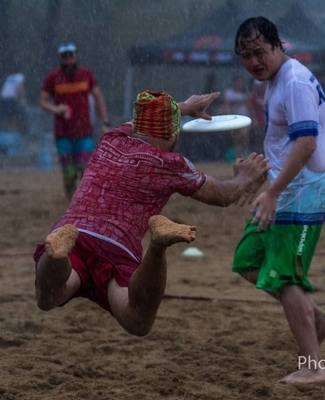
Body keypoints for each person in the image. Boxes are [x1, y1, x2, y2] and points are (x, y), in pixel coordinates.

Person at [34, 90, 269, 339]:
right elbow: (223, 195)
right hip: (116, 245)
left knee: (49, 297)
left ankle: (58, 257)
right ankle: (157, 246)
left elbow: (143, 120)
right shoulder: (171, 164)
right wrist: (245, 176)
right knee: (136, 319)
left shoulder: (113, 136)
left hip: (74, 228)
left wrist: (186, 106)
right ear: (172, 133)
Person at [233, 16, 325, 384]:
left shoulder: (292, 81)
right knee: (248, 260)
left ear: (278, 46)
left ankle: (314, 366)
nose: (253, 62)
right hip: (285, 190)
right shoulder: (276, 81)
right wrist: (258, 171)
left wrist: (273, 192)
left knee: (284, 273)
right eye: (246, 55)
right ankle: (316, 318)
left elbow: (307, 144)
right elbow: (282, 144)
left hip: (304, 193)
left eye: (259, 52)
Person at [39, 42, 111, 199]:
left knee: (86, 168)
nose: (68, 60)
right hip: (63, 133)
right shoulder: (53, 78)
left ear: (76, 56)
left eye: (70, 56)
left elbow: (98, 97)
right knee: (69, 172)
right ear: (60, 59)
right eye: (64, 57)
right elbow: (42, 101)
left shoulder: (87, 75)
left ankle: (85, 201)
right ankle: (71, 203)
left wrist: (105, 122)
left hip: (84, 132)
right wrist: (55, 109)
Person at [222, 75, 251, 159]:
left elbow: (249, 106)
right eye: (237, 82)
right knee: (236, 138)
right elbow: (226, 106)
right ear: (234, 83)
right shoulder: (229, 93)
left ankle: (245, 154)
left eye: (240, 83)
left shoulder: (245, 93)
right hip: (233, 119)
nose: (239, 84)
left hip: (244, 119)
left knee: (245, 137)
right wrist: (228, 118)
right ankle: (237, 155)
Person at [247, 79, 266, 155]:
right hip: (257, 123)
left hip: (267, 123)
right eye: (258, 86)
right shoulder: (252, 97)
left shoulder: (267, 95)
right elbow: (251, 109)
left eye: (261, 86)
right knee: (257, 141)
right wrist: (254, 120)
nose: (260, 88)